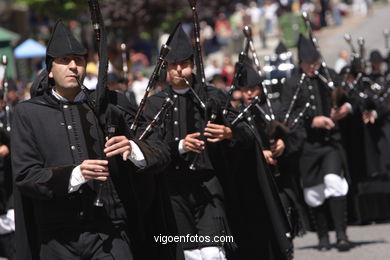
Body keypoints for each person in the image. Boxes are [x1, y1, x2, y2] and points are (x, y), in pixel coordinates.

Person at [11, 20, 170, 260]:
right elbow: (26, 176)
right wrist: (77, 174)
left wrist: (133, 148)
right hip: (56, 239)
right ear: (50, 70)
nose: (73, 66)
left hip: (111, 231)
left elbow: (160, 150)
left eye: (79, 60)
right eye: (64, 60)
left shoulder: (111, 104)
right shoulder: (28, 113)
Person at [281, 34, 352, 252]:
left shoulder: (329, 76)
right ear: (300, 63)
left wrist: (345, 108)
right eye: (308, 64)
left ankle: (341, 235)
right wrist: (312, 121)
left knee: (333, 181)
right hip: (306, 147)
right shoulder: (292, 84)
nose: (313, 67)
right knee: (314, 192)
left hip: (330, 144)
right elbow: (286, 116)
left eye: (316, 62)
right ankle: (322, 236)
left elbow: (350, 98)